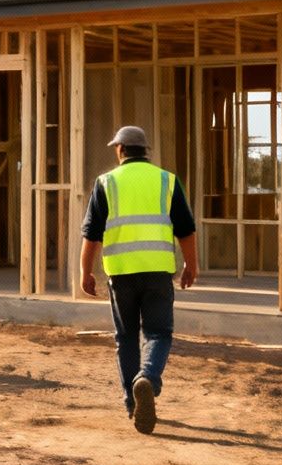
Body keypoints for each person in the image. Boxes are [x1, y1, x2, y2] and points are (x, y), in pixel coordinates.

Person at [79, 125, 198, 434]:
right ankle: (147, 378)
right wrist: (191, 265)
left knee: (126, 337)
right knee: (159, 333)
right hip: (158, 271)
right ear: (145, 151)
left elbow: (91, 234)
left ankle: (133, 404)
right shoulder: (166, 181)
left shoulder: (106, 182)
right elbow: (185, 229)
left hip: (120, 273)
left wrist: (85, 271)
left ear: (120, 150)